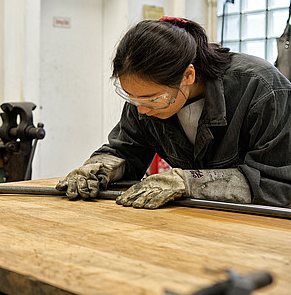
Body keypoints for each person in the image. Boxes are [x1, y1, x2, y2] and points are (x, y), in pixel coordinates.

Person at [56, 17, 291, 209]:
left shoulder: (262, 89)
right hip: (191, 224)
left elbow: (276, 184)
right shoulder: (145, 98)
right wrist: (99, 166)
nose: (142, 110)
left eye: (152, 99)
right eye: (132, 98)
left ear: (188, 75)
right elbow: (125, 150)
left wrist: (189, 183)